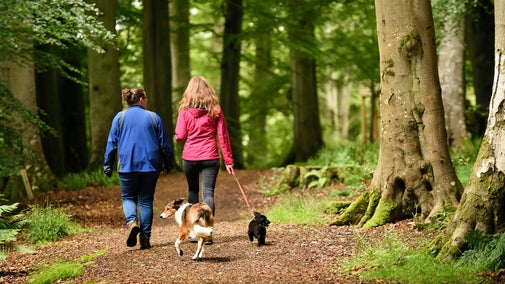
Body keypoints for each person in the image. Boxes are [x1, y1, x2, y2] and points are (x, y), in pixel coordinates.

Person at [104, 88, 173, 250]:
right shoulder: (153, 117)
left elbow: (111, 143)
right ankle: (145, 236)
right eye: (146, 97)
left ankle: (132, 223)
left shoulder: (119, 118)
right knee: (146, 200)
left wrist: (107, 164)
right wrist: (168, 163)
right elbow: (164, 143)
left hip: (127, 165)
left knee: (128, 197)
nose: (147, 100)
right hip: (150, 165)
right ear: (141, 99)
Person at [174, 76, 235, 244]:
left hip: (190, 157)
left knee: (193, 191)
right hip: (210, 156)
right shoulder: (215, 109)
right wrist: (228, 160)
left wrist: (176, 136)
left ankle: (195, 231)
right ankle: (207, 233)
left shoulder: (184, 111)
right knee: (208, 193)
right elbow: (223, 136)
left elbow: (180, 136)